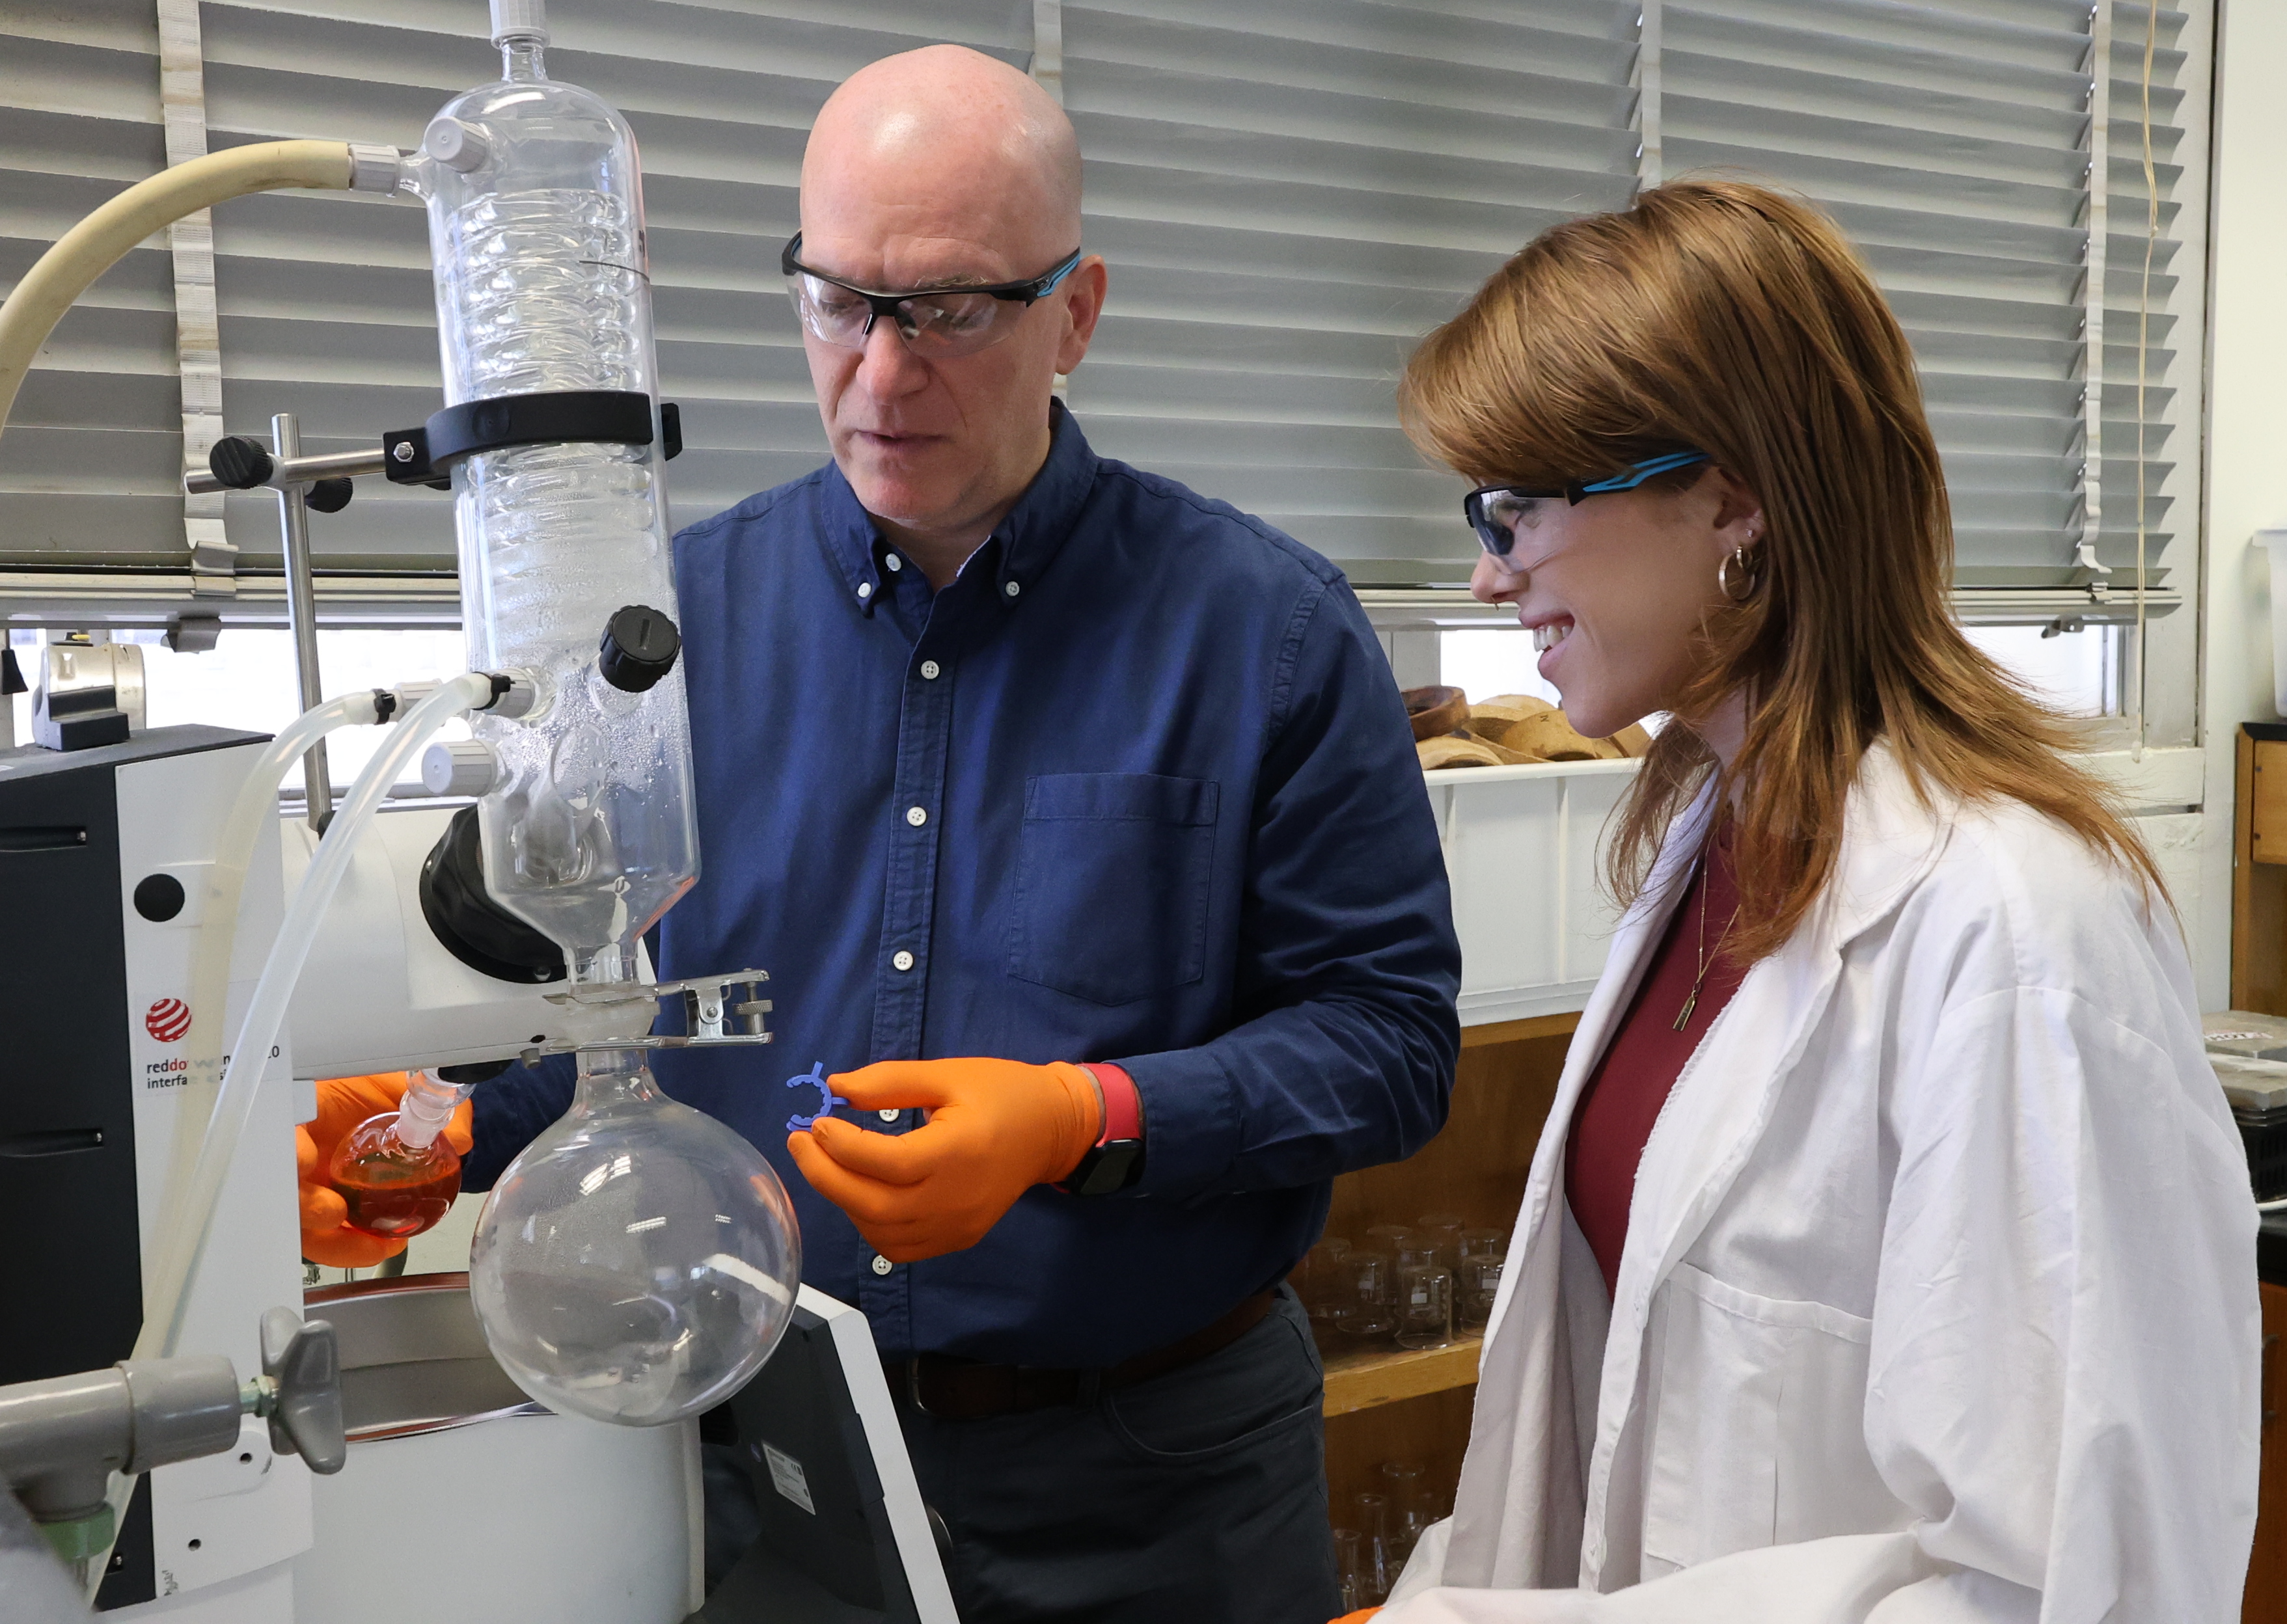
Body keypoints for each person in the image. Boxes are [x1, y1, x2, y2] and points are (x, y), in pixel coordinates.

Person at [297, 44, 1460, 1623]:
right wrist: (440, 1131)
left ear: (1080, 310)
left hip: (1155, 1484)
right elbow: (623, 1011)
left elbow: (1388, 1045)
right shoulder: (666, 623)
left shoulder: (1264, 630)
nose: (884, 373)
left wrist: (1079, 1117)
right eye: (839, 301)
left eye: (953, 312)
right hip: (773, 1464)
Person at [1354, 182, 2258, 1621]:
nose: (1487, 569)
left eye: (1519, 511)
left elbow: (2079, 1582)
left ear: (1731, 496)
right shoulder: (1706, 841)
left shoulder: (2013, 928)